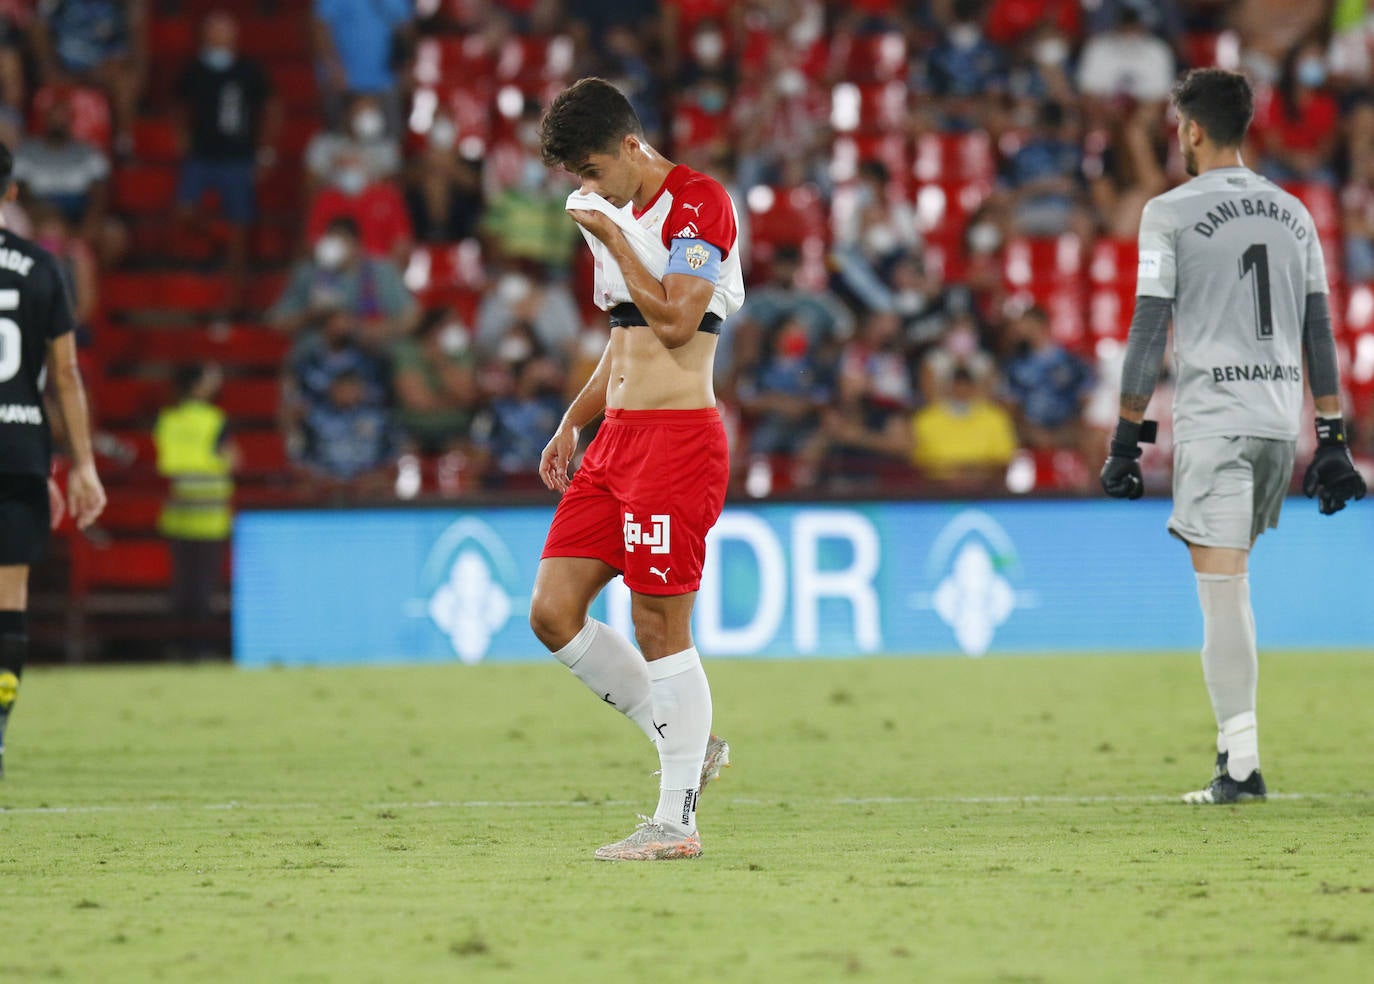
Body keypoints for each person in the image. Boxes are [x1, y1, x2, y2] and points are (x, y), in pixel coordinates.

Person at [1101, 69, 1366, 805]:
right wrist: (1332, 434)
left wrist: (1127, 440)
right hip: (1280, 426)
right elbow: (1319, 327)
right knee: (1233, 587)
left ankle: (1242, 768)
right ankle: (1236, 756)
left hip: (1216, 424)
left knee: (1222, 594)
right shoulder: (1296, 214)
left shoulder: (1169, 211)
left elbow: (1150, 327)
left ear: (1190, 129)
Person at [528, 78, 744, 861]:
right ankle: (690, 740)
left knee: (659, 626)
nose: (589, 190)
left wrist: (616, 235)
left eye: (593, 172)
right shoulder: (604, 210)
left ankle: (676, 820)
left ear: (629, 146)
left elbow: (679, 321)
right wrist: (572, 420)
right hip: (616, 440)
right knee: (553, 611)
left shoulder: (700, 203)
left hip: (677, 441)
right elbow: (627, 339)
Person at [0, 140, 106, 776]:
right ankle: (1, 720)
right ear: (12, 193)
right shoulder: (42, 268)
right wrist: (84, 465)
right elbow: (65, 376)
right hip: (19, 449)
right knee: (8, 597)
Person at [173, 10, 280, 319]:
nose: (219, 38)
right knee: (186, 212)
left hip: (238, 158)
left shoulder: (249, 70)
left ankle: (236, 298)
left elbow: (272, 107)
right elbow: (178, 105)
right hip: (201, 156)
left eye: (224, 31)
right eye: (213, 31)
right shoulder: (193, 70)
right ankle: (214, 240)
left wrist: (266, 151)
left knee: (240, 226)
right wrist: (181, 138)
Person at [153, 364, 237, 658]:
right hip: (210, 516)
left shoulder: (166, 419)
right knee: (203, 589)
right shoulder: (215, 419)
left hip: (178, 512)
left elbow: (164, 462)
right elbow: (230, 459)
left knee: (180, 587)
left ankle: (175, 646)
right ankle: (198, 648)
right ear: (199, 385)